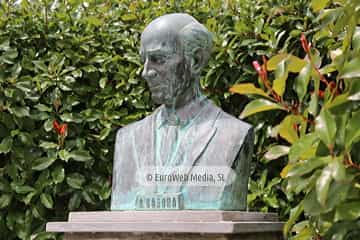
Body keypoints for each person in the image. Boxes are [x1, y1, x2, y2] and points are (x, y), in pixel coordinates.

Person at [111, 13, 253, 210]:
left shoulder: (232, 135)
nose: (145, 72)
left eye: (158, 59)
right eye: (144, 60)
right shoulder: (127, 139)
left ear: (195, 60)